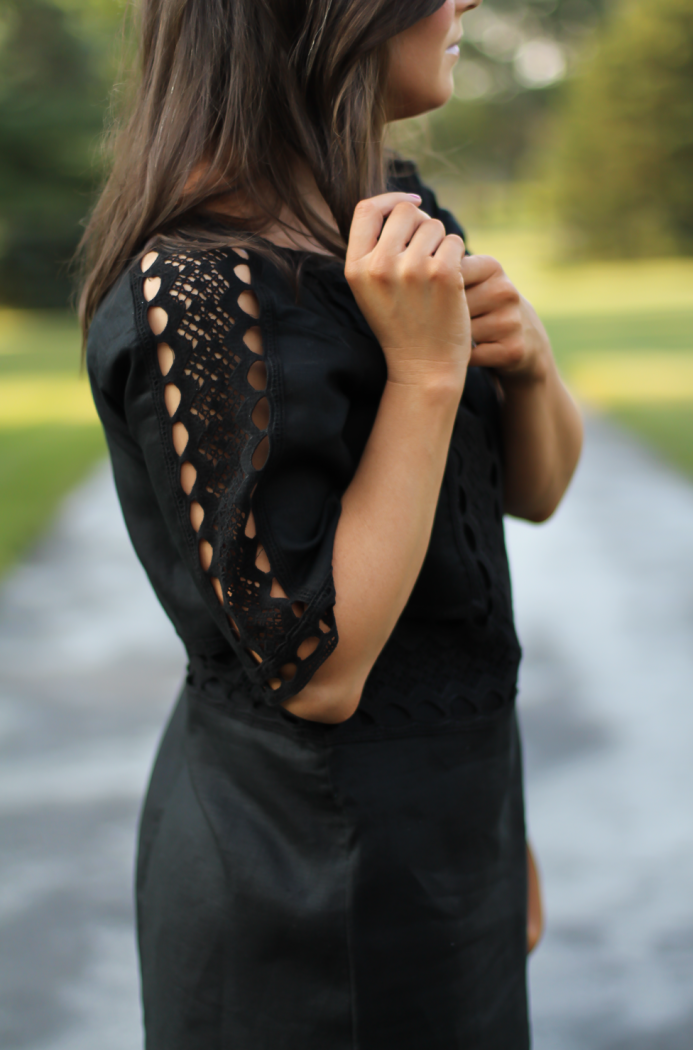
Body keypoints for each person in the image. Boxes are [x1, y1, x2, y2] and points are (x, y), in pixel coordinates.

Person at [80, 0, 582, 1046]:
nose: (465, 5)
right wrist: (428, 371)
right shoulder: (199, 290)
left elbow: (526, 497)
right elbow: (318, 666)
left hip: (446, 842)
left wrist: (526, 362)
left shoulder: (392, 214)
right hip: (302, 884)